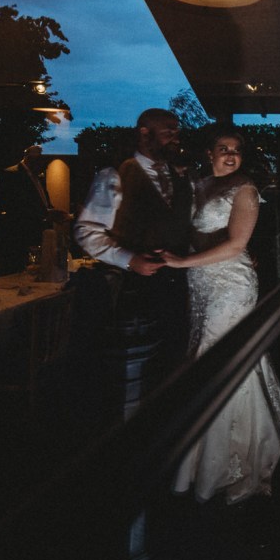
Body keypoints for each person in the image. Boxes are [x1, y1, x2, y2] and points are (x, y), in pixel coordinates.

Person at [157, 127, 280, 504]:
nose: (231, 155)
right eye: (223, 149)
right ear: (210, 153)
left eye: (236, 150)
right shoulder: (199, 184)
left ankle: (218, 465)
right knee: (205, 357)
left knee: (216, 360)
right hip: (200, 284)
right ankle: (199, 456)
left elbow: (236, 244)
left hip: (230, 286)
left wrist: (182, 262)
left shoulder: (245, 189)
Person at [73, 108, 194, 376]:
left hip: (177, 290)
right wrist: (129, 260)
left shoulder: (183, 176)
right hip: (134, 291)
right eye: (169, 131)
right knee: (135, 368)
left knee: (173, 363)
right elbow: (86, 230)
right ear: (144, 133)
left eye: (177, 131)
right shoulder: (115, 174)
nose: (176, 138)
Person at [0, 145, 70, 275]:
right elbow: (13, 207)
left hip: (37, 233)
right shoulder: (11, 175)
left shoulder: (37, 177)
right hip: (19, 237)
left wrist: (51, 212)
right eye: (42, 161)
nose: (46, 166)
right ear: (32, 160)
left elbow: (41, 202)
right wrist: (46, 214)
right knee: (19, 274)